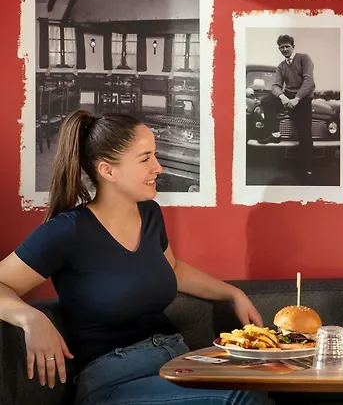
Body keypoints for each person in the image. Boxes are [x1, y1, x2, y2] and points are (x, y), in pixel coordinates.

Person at [0, 110, 273, 405]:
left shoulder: (150, 213)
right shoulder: (67, 230)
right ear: (108, 171)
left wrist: (232, 293)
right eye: (145, 159)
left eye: (154, 155)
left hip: (174, 360)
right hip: (114, 379)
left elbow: (172, 268)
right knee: (240, 398)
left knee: (259, 383)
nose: (158, 167)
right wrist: (31, 317)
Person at [258, 34, 316, 180]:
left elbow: (309, 81)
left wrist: (297, 99)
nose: (284, 49)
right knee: (267, 101)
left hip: (303, 98)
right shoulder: (281, 66)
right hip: (288, 96)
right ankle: (275, 134)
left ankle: (307, 169)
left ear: (293, 47)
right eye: (281, 47)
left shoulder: (304, 59)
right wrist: (282, 97)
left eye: (287, 46)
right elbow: (275, 86)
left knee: (304, 132)